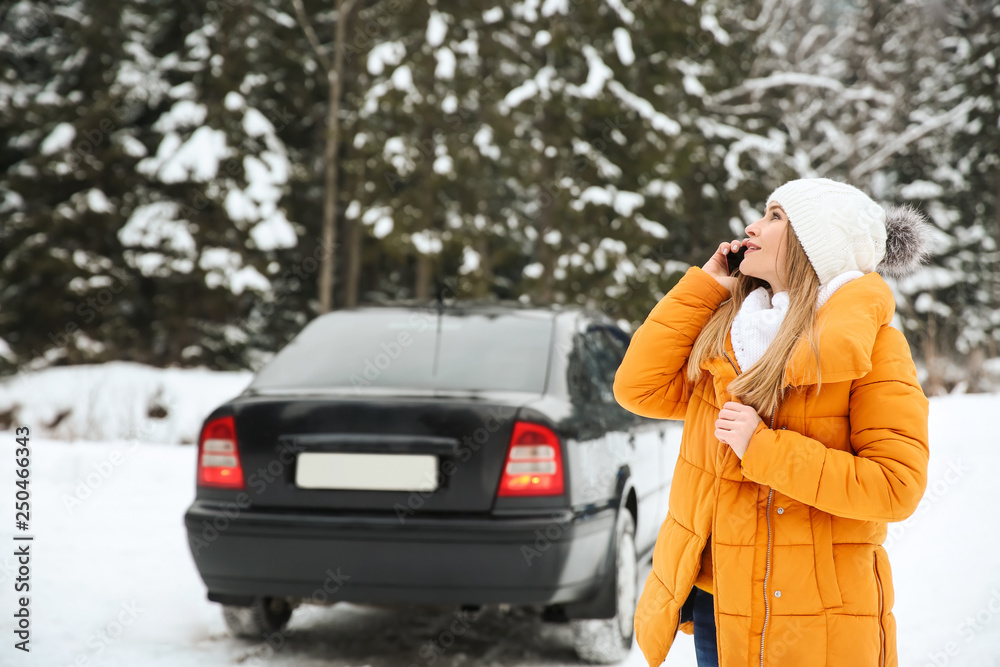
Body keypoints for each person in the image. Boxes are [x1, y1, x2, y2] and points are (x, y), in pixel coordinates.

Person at [613, 178, 932, 667]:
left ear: (815, 242)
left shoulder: (873, 346)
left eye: (775, 217)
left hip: (814, 620)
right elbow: (639, 388)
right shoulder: (727, 331)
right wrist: (705, 286)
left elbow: (895, 486)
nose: (752, 227)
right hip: (719, 603)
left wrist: (764, 450)